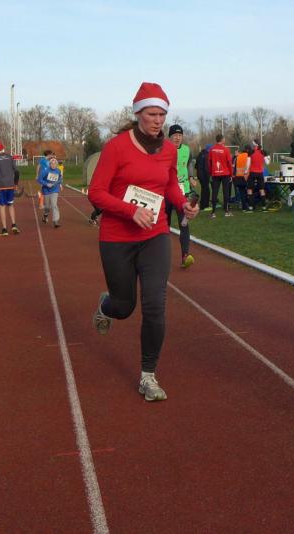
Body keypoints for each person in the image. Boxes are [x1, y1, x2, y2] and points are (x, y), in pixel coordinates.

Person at [88, 82, 199, 402]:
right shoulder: (116, 147)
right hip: (117, 237)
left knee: (154, 305)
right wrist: (130, 210)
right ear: (137, 113)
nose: (157, 120)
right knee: (125, 306)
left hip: (155, 234)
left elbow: (169, 185)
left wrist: (183, 204)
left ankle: (148, 376)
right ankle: (106, 305)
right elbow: (96, 193)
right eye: (152, 114)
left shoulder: (169, 150)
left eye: (162, 115)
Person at [167, 124, 195, 267]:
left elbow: (189, 163)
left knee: (184, 223)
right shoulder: (163, 148)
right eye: (175, 135)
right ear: (170, 136)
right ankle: (161, 256)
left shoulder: (186, 149)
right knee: (163, 225)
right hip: (166, 190)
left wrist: (191, 177)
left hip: (183, 191)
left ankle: (185, 255)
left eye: (180, 135)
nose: (177, 138)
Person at [208, 133, 233, 217]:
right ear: (222, 140)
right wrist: (231, 174)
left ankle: (213, 213)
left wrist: (211, 172)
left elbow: (209, 162)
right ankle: (226, 211)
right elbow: (229, 163)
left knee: (214, 192)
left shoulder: (211, 149)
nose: (225, 140)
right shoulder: (226, 150)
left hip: (215, 174)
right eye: (224, 138)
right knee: (226, 192)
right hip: (225, 173)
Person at [38, 156, 63, 228]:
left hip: (55, 190)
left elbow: (60, 179)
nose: (53, 165)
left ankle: (55, 221)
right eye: (52, 163)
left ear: (57, 164)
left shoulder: (58, 171)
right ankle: (45, 215)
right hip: (46, 190)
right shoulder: (45, 171)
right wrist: (46, 184)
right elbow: (39, 179)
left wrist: (59, 184)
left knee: (54, 205)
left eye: (55, 164)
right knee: (47, 207)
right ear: (49, 164)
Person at [246, 140, 268, 212]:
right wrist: (267, 156)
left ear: (255, 145)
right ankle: (264, 207)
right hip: (260, 173)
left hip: (252, 173)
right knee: (261, 190)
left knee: (250, 189)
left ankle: (251, 207)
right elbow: (268, 162)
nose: (252, 145)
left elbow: (248, 163)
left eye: (253, 144)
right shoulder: (263, 152)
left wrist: (245, 171)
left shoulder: (251, 152)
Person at [233, 145, 251, 212]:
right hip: (245, 177)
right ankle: (247, 206)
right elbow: (247, 168)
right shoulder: (248, 157)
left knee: (241, 192)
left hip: (238, 177)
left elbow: (234, 167)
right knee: (247, 192)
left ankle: (243, 207)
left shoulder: (238, 157)